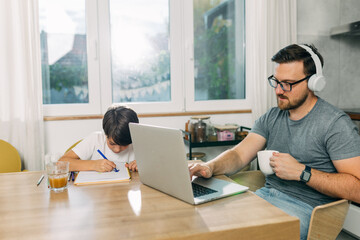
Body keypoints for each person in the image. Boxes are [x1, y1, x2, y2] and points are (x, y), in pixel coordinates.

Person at [189, 44, 360, 240]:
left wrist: (303, 173)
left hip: (306, 212)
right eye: (276, 82)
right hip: (263, 198)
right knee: (206, 224)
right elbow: (238, 154)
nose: (278, 90)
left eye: (287, 83)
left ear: (313, 83)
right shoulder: (272, 116)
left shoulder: (335, 124)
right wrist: (210, 167)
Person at [59, 105, 139, 172]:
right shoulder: (95, 139)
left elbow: (151, 164)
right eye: (112, 143)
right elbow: (60, 164)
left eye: (124, 144)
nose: (117, 149)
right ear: (105, 134)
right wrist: (93, 165)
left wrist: (144, 166)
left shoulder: (138, 141)